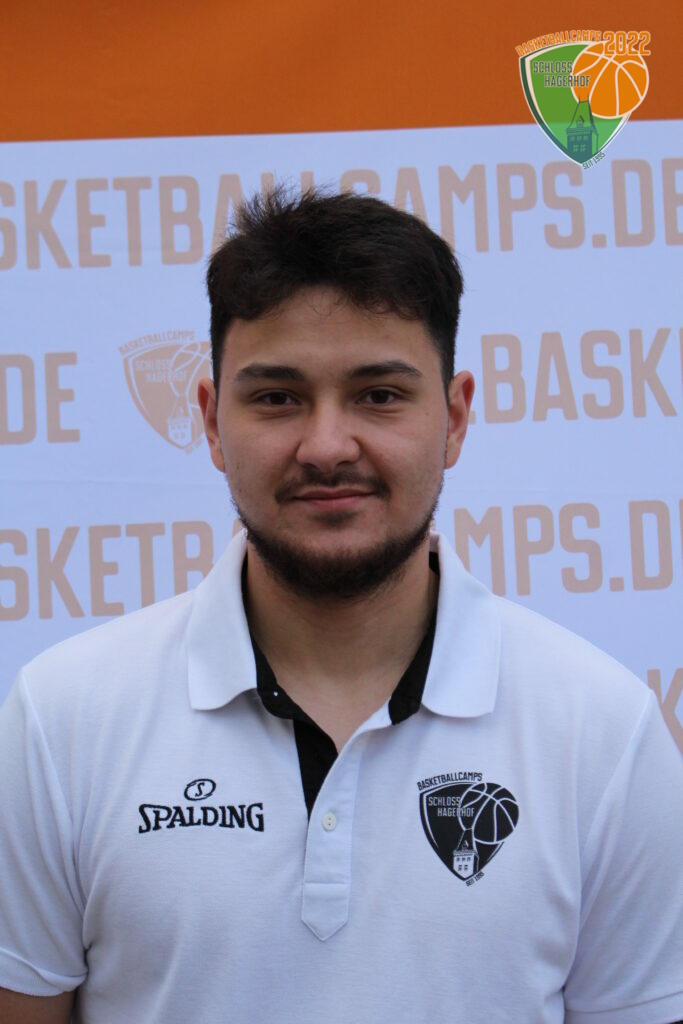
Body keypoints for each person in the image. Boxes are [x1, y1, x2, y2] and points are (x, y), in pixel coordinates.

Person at [0, 189, 681, 1024]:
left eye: (379, 395)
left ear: (454, 418)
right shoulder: (62, 717)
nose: (326, 446)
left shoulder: (603, 732)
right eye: (277, 398)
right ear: (211, 421)